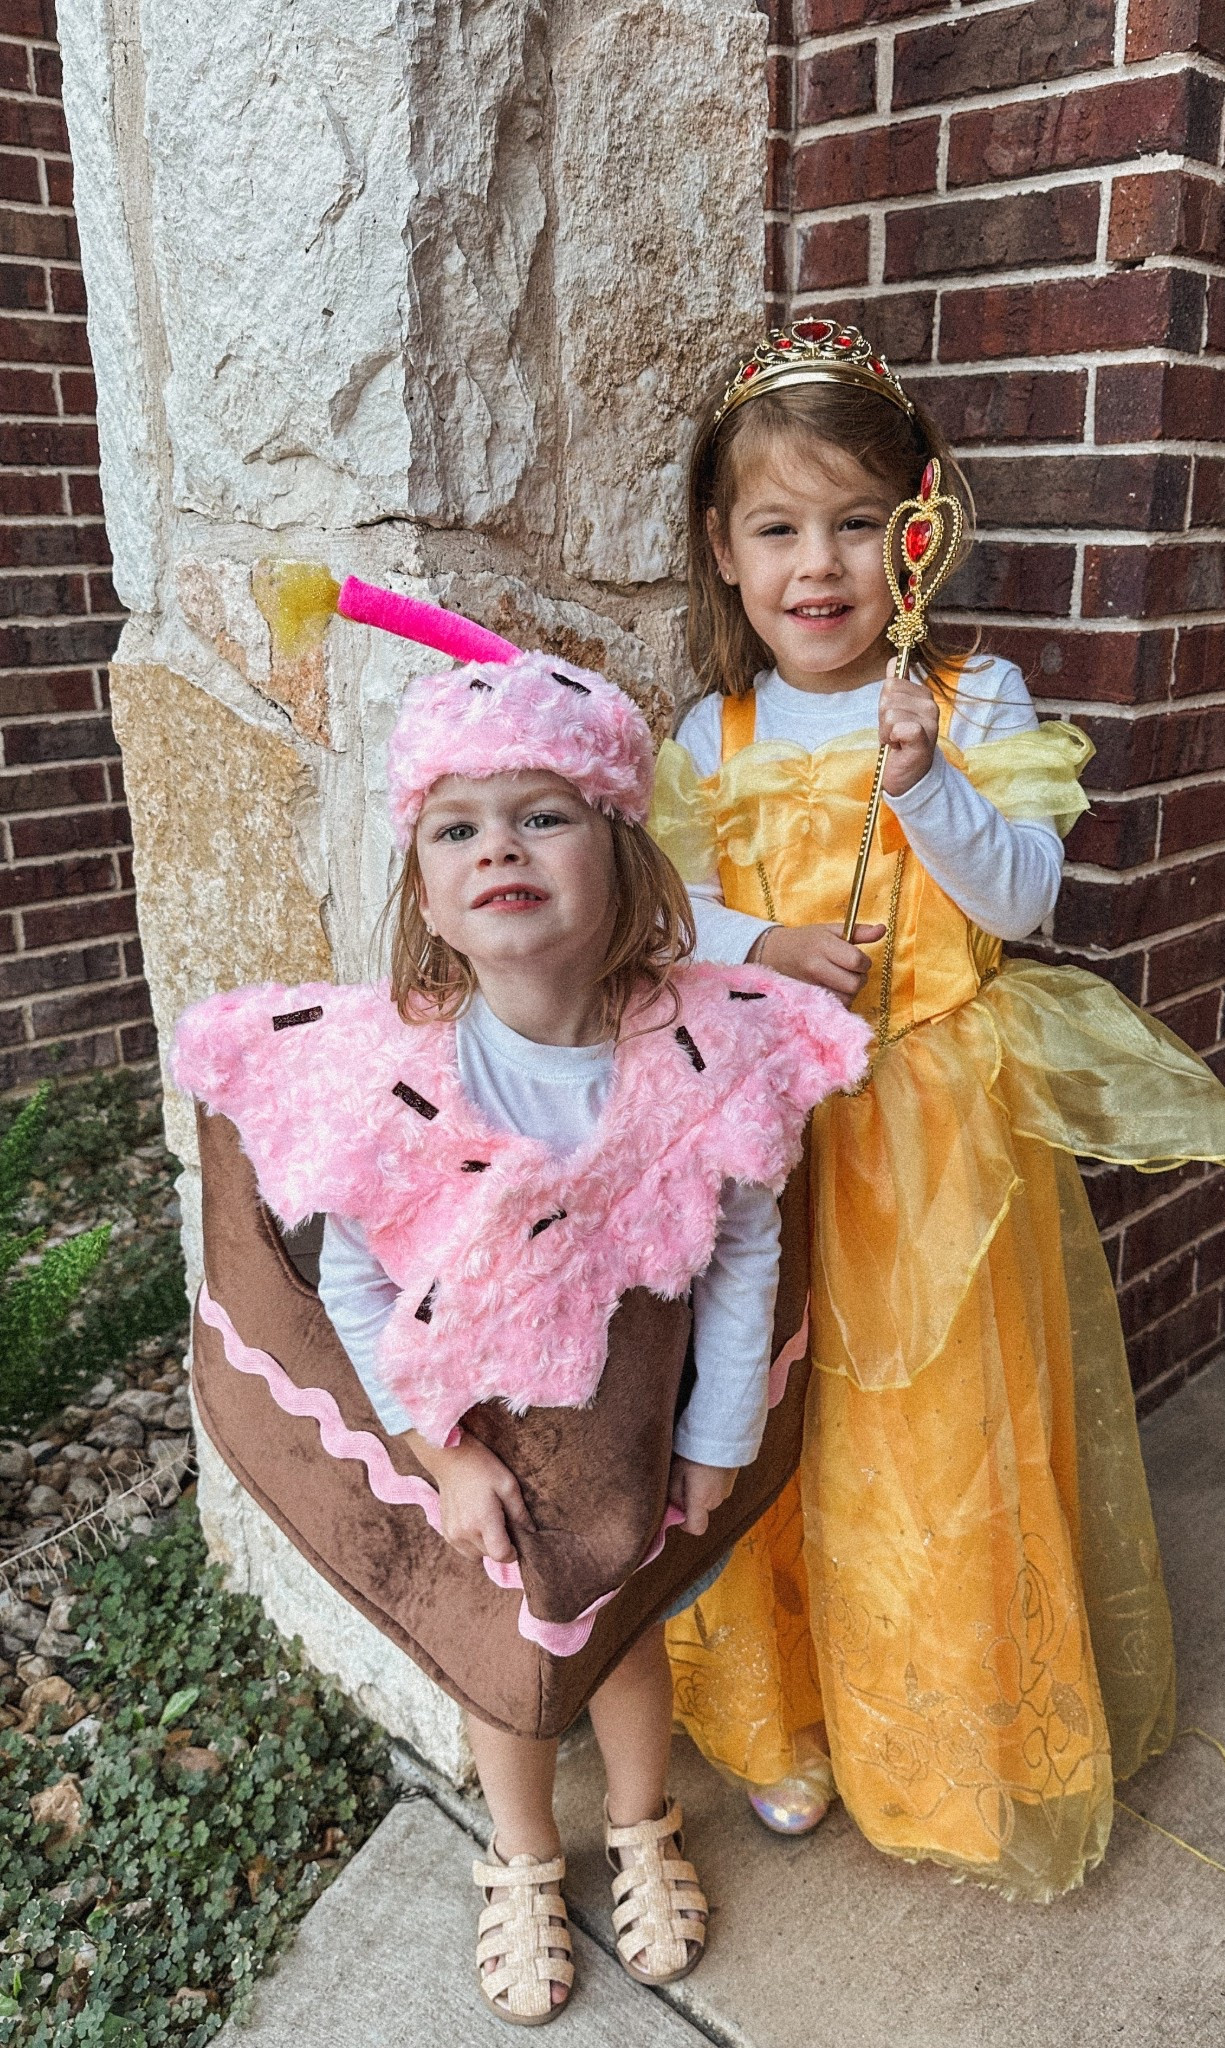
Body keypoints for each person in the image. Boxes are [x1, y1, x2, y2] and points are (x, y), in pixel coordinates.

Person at [173, 619, 868, 2023]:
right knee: (510, 1661)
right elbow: (363, 1284)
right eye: (459, 830)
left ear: (621, 862)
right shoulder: (400, 1079)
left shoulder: (695, 1050)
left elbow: (743, 1247)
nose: (499, 850)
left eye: (542, 816)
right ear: (426, 895)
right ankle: (523, 1857)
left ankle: (641, 1826)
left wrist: (721, 1431)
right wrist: (442, 1456)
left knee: (622, 1640)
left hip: (632, 1426)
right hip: (486, 1435)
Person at [652, 319, 1225, 1901]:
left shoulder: (969, 695)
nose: (819, 566)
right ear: (723, 552)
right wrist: (763, 946)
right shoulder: (706, 741)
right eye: (778, 529)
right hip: (781, 1138)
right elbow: (659, 925)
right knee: (776, 1412)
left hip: (938, 1134)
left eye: (859, 523)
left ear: (918, 530)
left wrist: (929, 787)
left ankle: (944, 1739)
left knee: (935, 1437)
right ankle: (782, 1716)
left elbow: (1028, 896)